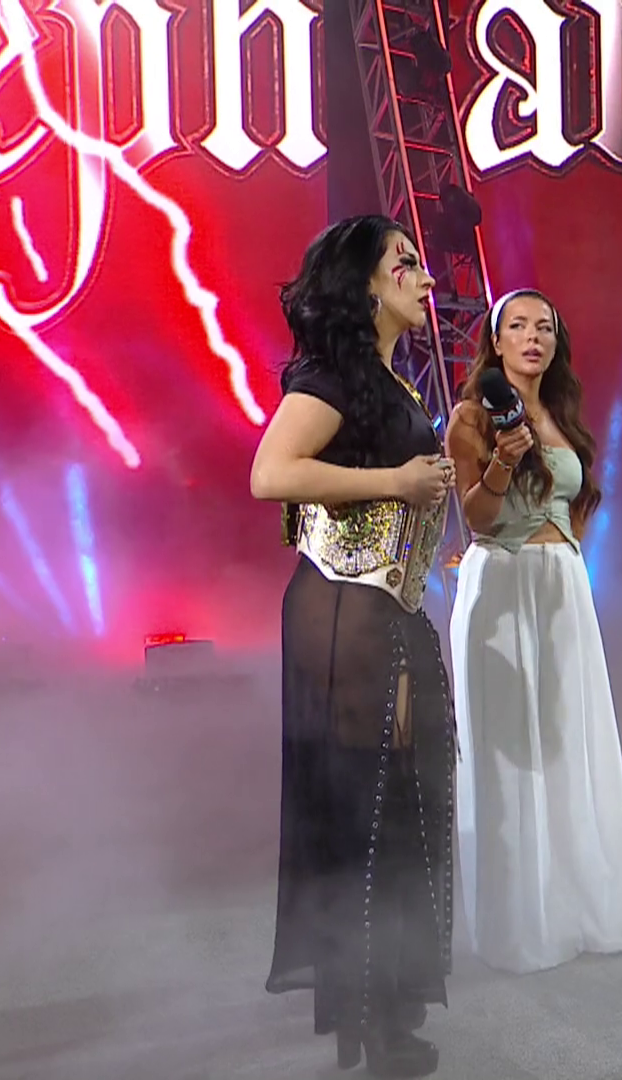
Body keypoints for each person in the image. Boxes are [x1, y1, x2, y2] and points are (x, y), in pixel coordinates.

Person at [250, 215, 457, 1078]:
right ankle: (372, 1022)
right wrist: (397, 481)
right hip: (344, 608)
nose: (425, 277)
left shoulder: (387, 378)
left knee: (396, 800)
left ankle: (387, 1006)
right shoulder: (331, 374)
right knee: (365, 804)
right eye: (404, 263)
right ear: (364, 283)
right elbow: (272, 473)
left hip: (385, 606)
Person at [443, 288, 622, 975]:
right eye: (518, 326)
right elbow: (476, 517)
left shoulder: (562, 416)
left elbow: (578, 502)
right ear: (496, 341)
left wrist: (566, 561)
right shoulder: (471, 417)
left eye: (545, 327)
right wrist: (504, 460)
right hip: (501, 582)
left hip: (561, 585)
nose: (533, 337)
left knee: (569, 739)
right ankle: (520, 921)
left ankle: (580, 904)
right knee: (509, 749)